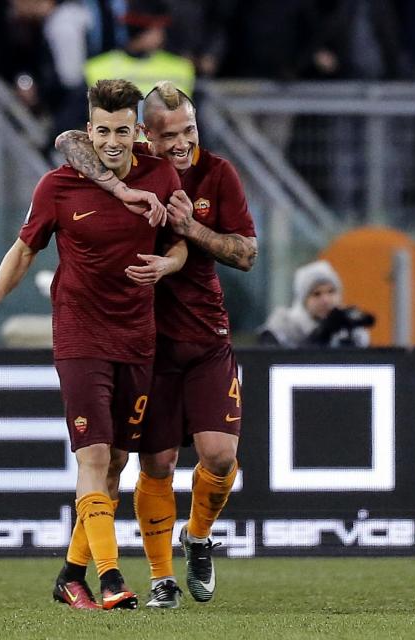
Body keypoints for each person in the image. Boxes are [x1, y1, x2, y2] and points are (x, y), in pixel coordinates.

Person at [0, 78, 185, 611]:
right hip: (80, 335)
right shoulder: (57, 188)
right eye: (102, 129)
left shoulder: (161, 174)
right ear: (90, 130)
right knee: (94, 455)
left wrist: (168, 263)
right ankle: (110, 580)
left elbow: (180, 242)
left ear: (137, 133)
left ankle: (70, 574)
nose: (112, 140)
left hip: (138, 336)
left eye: (122, 130)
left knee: (116, 464)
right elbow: (22, 252)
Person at [55, 80, 257, 608]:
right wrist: (117, 187)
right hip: (144, 341)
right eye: (169, 135)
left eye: (189, 129)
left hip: (205, 332)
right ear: (148, 134)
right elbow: (69, 141)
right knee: (153, 464)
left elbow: (245, 253)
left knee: (218, 455)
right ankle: (160, 578)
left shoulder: (218, 173)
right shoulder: (135, 162)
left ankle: (198, 535)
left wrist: (192, 231)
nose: (182, 143)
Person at [258, 260, 374, 347]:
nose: (326, 300)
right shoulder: (285, 326)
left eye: (331, 292)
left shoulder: (349, 331)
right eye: (316, 294)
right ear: (303, 301)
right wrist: (322, 334)